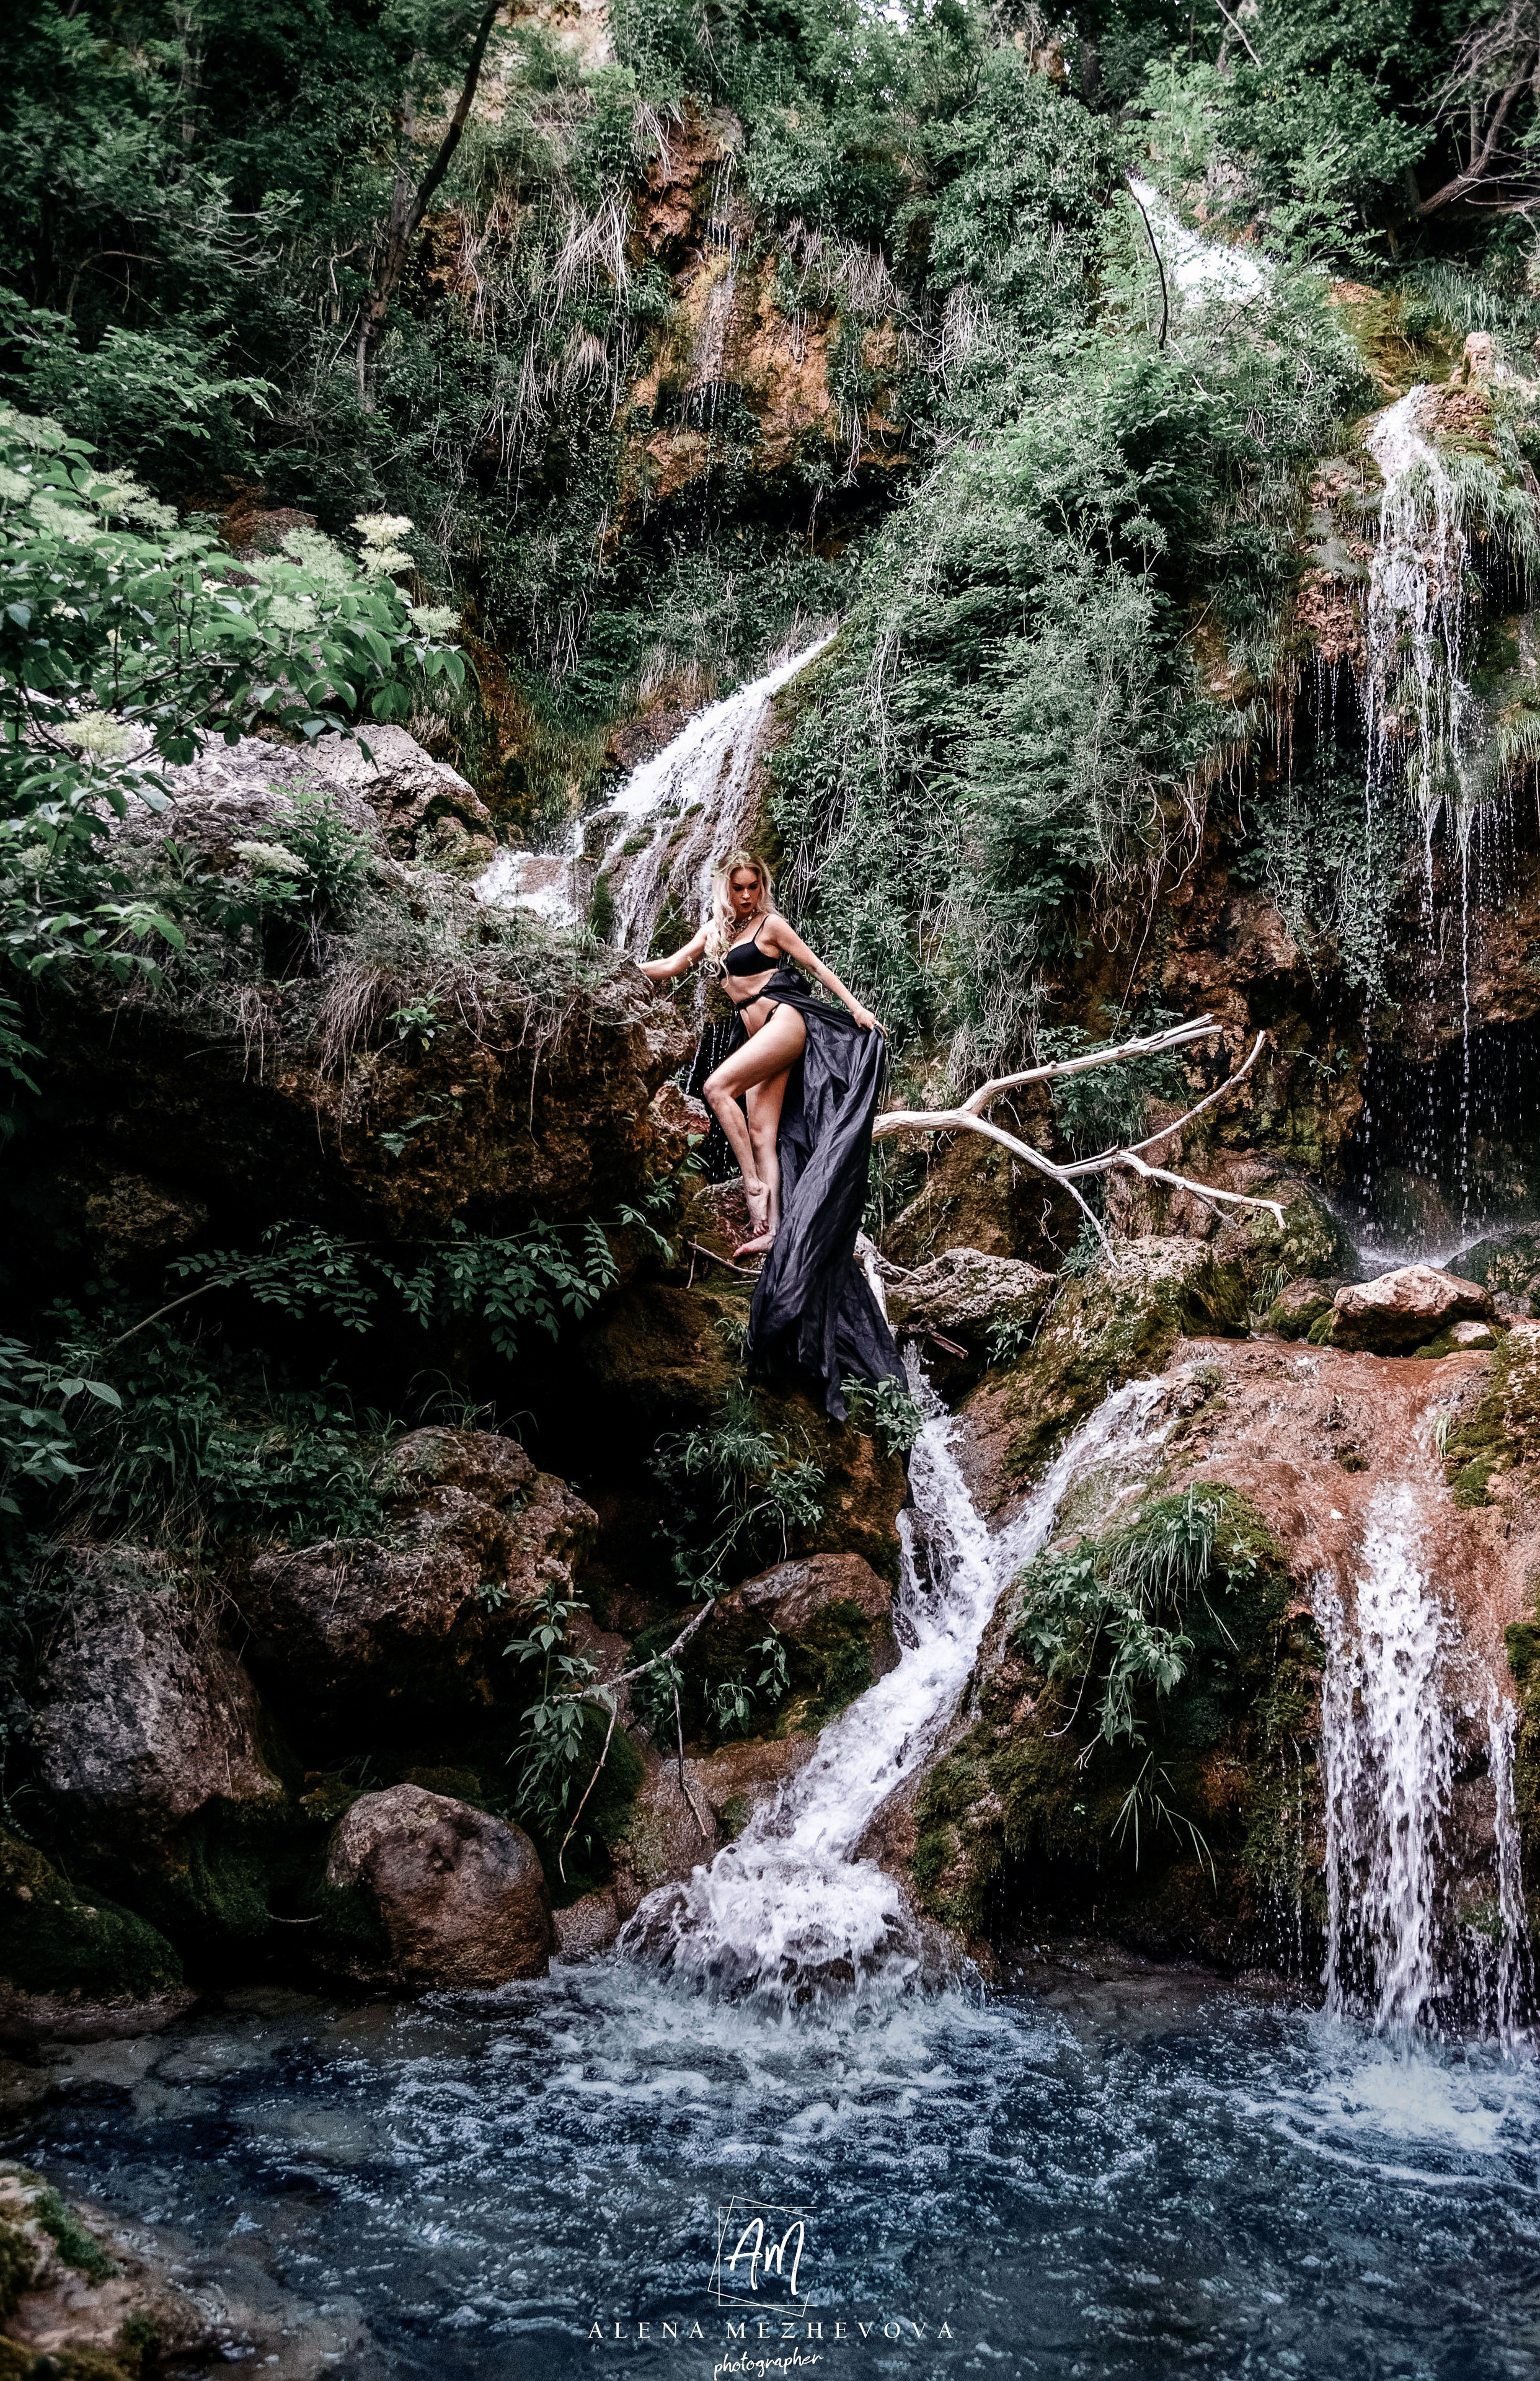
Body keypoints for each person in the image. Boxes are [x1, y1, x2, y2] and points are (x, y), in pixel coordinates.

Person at [639, 851, 902, 1421]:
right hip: (756, 1029)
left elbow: (818, 967)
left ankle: (754, 1189)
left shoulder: (771, 926)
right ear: (724, 889)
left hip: (785, 1020)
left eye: (754, 887)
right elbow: (670, 964)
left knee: (715, 1088)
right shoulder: (714, 932)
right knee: (763, 1129)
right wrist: (627, 972)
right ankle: (772, 1229)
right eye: (738, 888)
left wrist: (856, 1009)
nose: (747, 897)